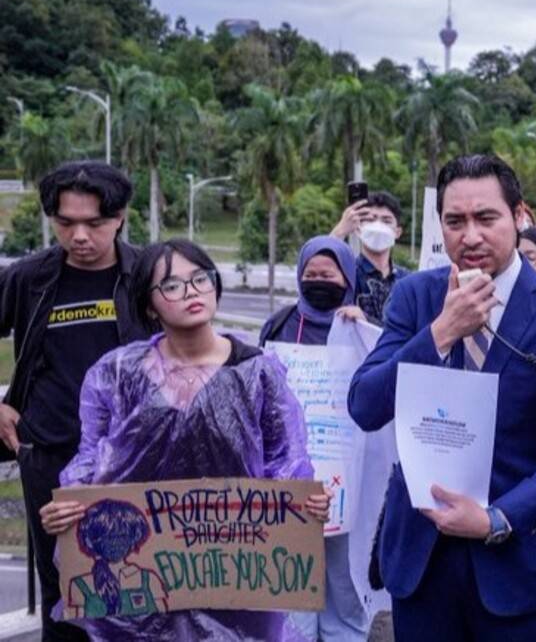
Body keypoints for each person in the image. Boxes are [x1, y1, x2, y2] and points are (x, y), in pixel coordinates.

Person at [348, 155, 536, 642]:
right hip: (420, 565)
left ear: (519, 216)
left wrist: (495, 520)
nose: (470, 236)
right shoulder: (414, 298)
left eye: (486, 218)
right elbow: (365, 405)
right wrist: (442, 333)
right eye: (455, 221)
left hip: (516, 567)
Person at [39, 239, 330, 641]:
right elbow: (91, 459)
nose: (191, 291)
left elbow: (289, 463)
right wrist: (69, 506)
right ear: (148, 305)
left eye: (200, 278)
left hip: (237, 577)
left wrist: (304, 501)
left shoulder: (257, 372)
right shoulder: (118, 375)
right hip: (142, 581)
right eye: (172, 285)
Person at [0, 161, 153, 641]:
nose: (80, 236)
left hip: (137, 458)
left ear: (121, 216)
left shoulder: (147, 273)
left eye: (95, 223)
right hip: (52, 456)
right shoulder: (29, 278)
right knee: (65, 595)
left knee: (142, 588)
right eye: (66, 223)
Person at [260, 235, 369, 642]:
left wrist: (364, 328)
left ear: (349, 278)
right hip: (290, 472)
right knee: (293, 575)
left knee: (344, 577)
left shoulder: (364, 327)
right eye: (311, 274)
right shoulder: (280, 323)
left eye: (329, 274)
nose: (319, 281)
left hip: (348, 470)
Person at [332, 190, 410, 325]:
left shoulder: (408, 280)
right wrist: (340, 231)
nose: (378, 226)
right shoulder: (346, 274)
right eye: (370, 220)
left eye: (386, 221)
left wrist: (367, 320)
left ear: (397, 232)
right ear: (358, 229)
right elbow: (319, 268)